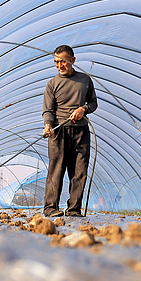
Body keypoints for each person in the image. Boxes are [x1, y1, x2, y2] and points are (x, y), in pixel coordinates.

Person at [42, 45, 97, 217]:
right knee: (56, 170)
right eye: (56, 62)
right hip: (59, 132)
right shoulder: (52, 84)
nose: (60, 65)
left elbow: (93, 103)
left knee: (79, 172)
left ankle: (74, 209)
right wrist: (48, 125)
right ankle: (50, 208)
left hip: (81, 132)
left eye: (63, 62)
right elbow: (48, 110)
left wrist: (83, 109)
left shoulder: (85, 80)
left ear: (73, 60)